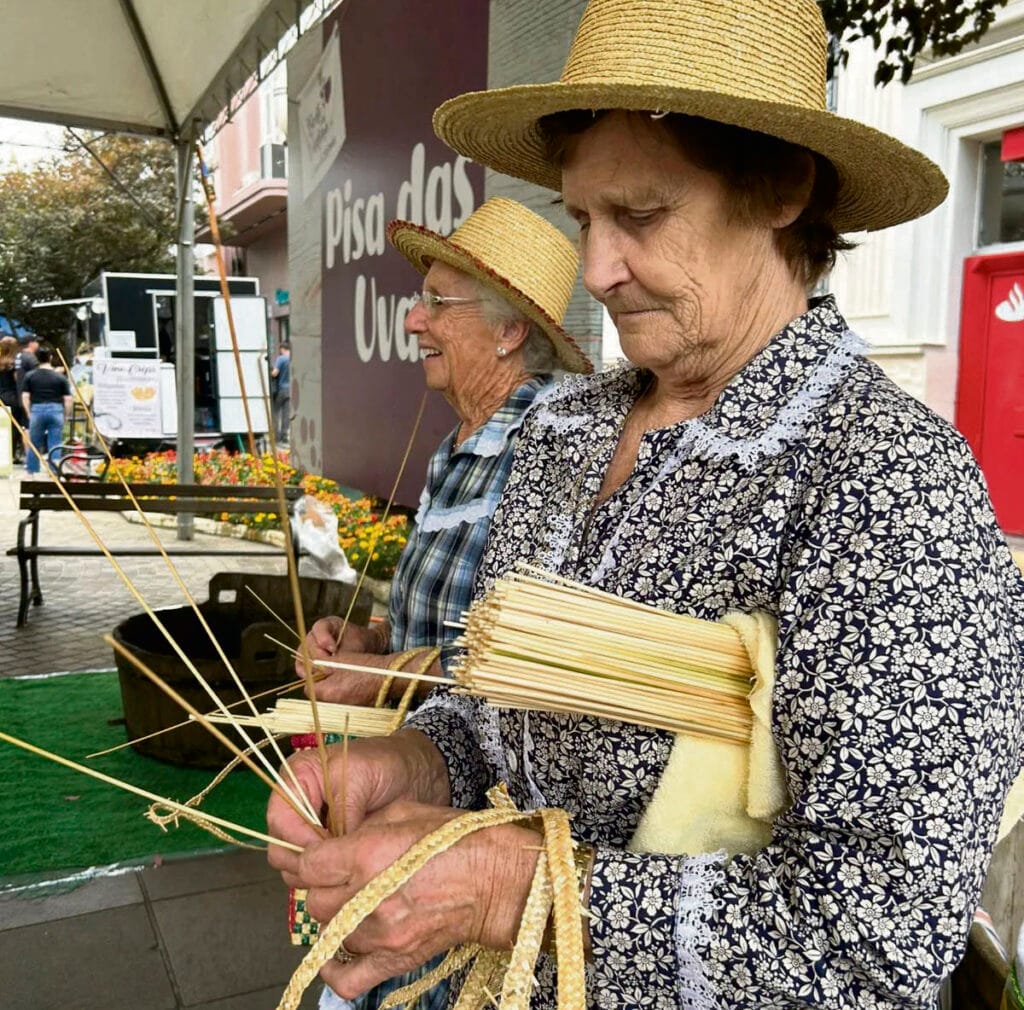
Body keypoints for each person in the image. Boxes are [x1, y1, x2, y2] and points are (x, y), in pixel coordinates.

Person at [268, 3, 1024, 1009]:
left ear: (780, 189)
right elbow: (501, 715)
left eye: (640, 215)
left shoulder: (887, 484)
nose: (594, 271)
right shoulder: (566, 428)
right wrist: (416, 760)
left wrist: (505, 888)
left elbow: (873, 940)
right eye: (583, 217)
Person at [297, 196, 590, 1010]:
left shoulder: (549, 448)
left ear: (507, 333)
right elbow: (454, 607)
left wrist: (393, 674)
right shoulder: (457, 443)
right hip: (415, 769)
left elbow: (539, 663)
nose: (415, 321)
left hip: (478, 811)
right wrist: (372, 635)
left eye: (437, 303)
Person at [22, 346, 72, 476]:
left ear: (37, 359)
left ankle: (32, 471)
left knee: (34, 442)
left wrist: (28, 412)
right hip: (56, 410)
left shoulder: (30, 376)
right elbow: (67, 399)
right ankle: (54, 471)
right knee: (55, 443)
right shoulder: (60, 377)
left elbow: (25, 396)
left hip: (37, 410)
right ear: (50, 358)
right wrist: (66, 415)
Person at [0, 336, 26, 462]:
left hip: (1, 396)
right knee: (14, 427)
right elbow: (18, 381)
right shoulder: (14, 363)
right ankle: (11, 455)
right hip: (12, 397)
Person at [271, 341, 291, 444]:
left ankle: (276, 436)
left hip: (281, 390)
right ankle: (285, 436)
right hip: (291, 390)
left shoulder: (281, 358)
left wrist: (270, 372)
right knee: (286, 414)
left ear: (282, 349)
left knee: (275, 412)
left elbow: (275, 373)